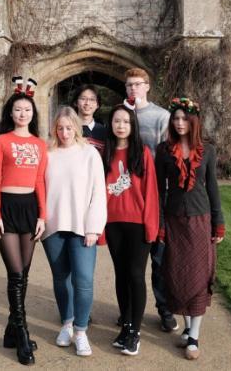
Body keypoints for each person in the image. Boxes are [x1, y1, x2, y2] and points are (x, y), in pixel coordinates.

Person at [155, 97, 226, 361]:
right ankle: (186, 328)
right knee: (177, 275)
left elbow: (212, 188)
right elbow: (159, 191)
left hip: (200, 220)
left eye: (185, 118)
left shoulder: (207, 151)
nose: (180, 123)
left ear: (194, 120)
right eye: (176, 118)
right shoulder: (164, 151)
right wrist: (161, 225)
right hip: (174, 220)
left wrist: (218, 222)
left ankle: (194, 336)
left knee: (198, 275)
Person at [0, 77, 47, 365]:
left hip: (30, 208)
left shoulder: (39, 144)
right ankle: (22, 335)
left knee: (24, 273)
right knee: (16, 274)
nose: (23, 114)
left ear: (33, 114)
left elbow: (40, 183)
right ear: (11, 113)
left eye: (27, 110)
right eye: (18, 110)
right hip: (7, 209)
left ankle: (11, 331)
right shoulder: (2, 141)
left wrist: (43, 216)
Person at [41, 106, 107, 357]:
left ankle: (81, 331)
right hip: (53, 226)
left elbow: (98, 194)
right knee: (61, 278)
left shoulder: (89, 153)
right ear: (54, 129)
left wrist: (93, 228)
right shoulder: (47, 154)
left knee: (83, 280)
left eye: (69, 128)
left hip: (82, 228)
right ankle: (67, 324)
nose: (65, 133)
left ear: (76, 128)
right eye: (60, 128)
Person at [101, 100, 159, 356]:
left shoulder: (142, 153)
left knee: (136, 275)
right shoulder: (104, 153)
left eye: (125, 121)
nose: (121, 125)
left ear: (132, 125)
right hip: (113, 223)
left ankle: (135, 331)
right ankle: (125, 325)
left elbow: (151, 192)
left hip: (137, 224)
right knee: (121, 275)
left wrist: (151, 227)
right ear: (110, 125)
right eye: (116, 121)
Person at [124, 67, 177, 332]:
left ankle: (164, 308)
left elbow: (170, 154)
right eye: (129, 85)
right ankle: (129, 311)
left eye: (137, 84)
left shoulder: (160, 116)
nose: (133, 89)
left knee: (159, 256)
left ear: (147, 86)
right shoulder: (123, 115)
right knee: (132, 259)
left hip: (159, 193)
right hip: (130, 195)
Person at [71, 84, 107, 153]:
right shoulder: (67, 129)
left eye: (92, 99)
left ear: (97, 105)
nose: (87, 103)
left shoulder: (104, 132)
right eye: (83, 99)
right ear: (75, 102)